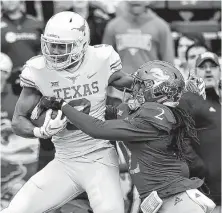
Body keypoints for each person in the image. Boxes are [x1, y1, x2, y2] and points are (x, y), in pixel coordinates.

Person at [38, 61, 216, 213]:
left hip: (177, 202)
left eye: (141, 85)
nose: (134, 89)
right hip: (166, 200)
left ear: (158, 89)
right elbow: (108, 114)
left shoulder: (154, 115)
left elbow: (98, 128)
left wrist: (61, 105)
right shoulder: (152, 113)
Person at [2, 11, 133, 213]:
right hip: (64, 160)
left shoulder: (100, 59)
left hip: (99, 157)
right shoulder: (38, 70)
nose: (54, 51)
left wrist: (152, 85)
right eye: (50, 44)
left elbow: (125, 81)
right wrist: (40, 132)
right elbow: (18, 120)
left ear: (81, 43)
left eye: (61, 46)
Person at [102, 1, 174, 106]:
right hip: (119, 92)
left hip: (151, 91)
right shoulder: (113, 26)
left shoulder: (161, 26)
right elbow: (104, 61)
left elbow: (168, 63)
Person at [181, 52, 221, 205]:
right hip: (204, 193)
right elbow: (180, 138)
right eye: (203, 67)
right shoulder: (189, 101)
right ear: (194, 72)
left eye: (213, 66)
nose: (208, 70)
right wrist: (200, 168)